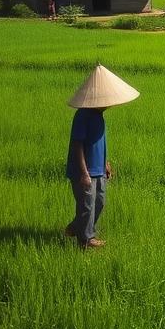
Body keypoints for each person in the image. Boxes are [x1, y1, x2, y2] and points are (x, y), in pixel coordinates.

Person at [64, 64, 139, 250]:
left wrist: (106, 163)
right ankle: (86, 241)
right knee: (87, 206)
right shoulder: (83, 116)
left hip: (98, 168)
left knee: (99, 202)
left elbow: (98, 142)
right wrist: (83, 173)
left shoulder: (99, 116)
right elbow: (77, 144)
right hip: (85, 170)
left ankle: (75, 228)